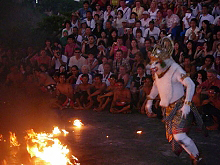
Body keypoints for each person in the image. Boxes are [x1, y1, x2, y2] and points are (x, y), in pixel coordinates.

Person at [145, 37, 206, 164]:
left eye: (156, 62)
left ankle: (197, 157)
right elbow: (156, 86)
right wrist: (149, 101)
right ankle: (193, 155)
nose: (153, 65)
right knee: (175, 140)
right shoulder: (158, 72)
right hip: (168, 109)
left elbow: (191, 84)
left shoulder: (175, 69)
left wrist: (187, 104)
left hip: (180, 106)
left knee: (179, 136)